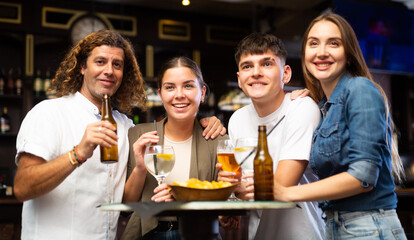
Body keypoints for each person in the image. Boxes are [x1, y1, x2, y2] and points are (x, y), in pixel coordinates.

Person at [13, 30, 224, 240]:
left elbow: (125, 200)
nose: (109, 71)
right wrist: (77, 153)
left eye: (117, 64)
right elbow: (22, 188)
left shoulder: (125, 127)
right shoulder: (49, 113)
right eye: (100, 62)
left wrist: (203, 121)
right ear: (82, 67)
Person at [273, 13, 407, 239]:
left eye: (333, 43)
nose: (321, 51)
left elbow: (362, 177)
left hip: (368, 226)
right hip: (339, 226)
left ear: (349, 52)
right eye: (313, 43)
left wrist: (288, 193)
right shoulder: (326, 105)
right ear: (304, 52)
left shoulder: (360, 89)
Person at [219, 32, 325, 239]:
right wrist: (231, 202)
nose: (256, 72)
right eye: (247, 66)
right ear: (239, 79)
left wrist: (237, 190)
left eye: (266, 64)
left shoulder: (301, 108)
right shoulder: (237, 119)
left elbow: (283, 185)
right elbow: (241, 183)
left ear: (285, 74)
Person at [121, 56, 227, 240]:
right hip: (148, 234)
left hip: (199, 234)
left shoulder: (217, 140)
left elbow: (225, 203)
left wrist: (182, 198)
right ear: (161, 94)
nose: (179, 94)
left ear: (202, 93)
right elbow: (127, 204)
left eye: (188, 86)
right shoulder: (137, 135)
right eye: (170, 87)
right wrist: (140, 167)